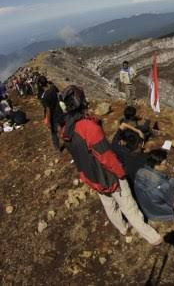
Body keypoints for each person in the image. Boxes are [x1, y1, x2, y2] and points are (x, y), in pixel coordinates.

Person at [60, 85, 163, 245]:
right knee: (129, 206)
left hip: (90, 176)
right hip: (109, 176)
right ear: (81, 101)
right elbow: (105, 155)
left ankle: (122, 228)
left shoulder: (66, 129)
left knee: (109, 205)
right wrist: (120, 173)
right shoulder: (88, 127)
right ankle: (151, 236)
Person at [134, 149, 174, 222]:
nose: (167, 165)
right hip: (160, 214)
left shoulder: (140, 172)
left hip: (147, 210)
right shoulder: (163, 184)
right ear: (156, 166)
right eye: (165, 163)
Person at [38, 76, 64, 152]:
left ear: (40, 84)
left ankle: (57, 148)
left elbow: (48, 109)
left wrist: (48, 121)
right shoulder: (53, 88)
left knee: (54, 132)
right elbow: (59, 94)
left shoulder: (44, 96)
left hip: (53, 115)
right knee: (62, 126)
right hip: (59, 110)